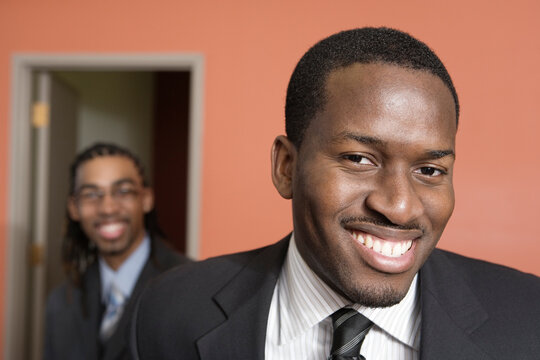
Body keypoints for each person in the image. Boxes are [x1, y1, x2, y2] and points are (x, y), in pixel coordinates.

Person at [131, 28, 540, 360]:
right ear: (286, 167)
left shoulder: (527, 318)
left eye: (429, 170)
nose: (399, 206)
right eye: (360, 159)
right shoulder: (169, 311)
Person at [44, 142, 191, 360]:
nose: (108, 208)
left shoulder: (190, 285)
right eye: (92, 194)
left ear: (146, 199)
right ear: (74, 208)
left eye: (123, 191)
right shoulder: (60, 303)